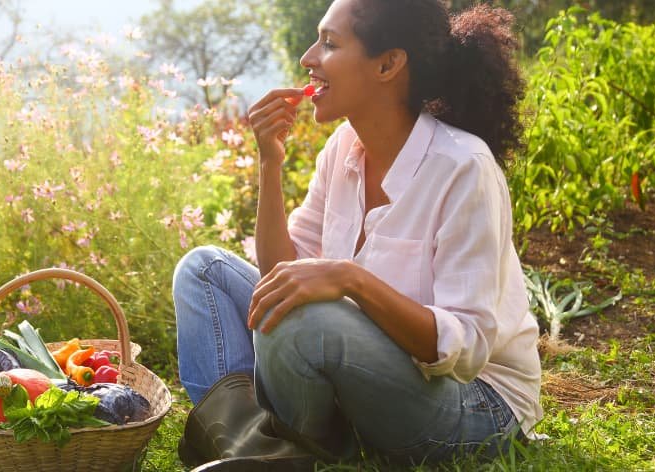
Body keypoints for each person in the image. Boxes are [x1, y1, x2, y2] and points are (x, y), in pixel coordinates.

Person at [173, 0, 542, 465]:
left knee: (302, 320)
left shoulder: (464, 168)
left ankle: (289, 447)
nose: (308, 57)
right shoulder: (342, 149)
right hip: (370, 375)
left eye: (329, 43)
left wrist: (351, 278)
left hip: (474, 404)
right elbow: (282, 276)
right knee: (203, 271)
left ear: (387, 64)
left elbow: (465, 348)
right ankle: (255, 447)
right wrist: (270, 162)